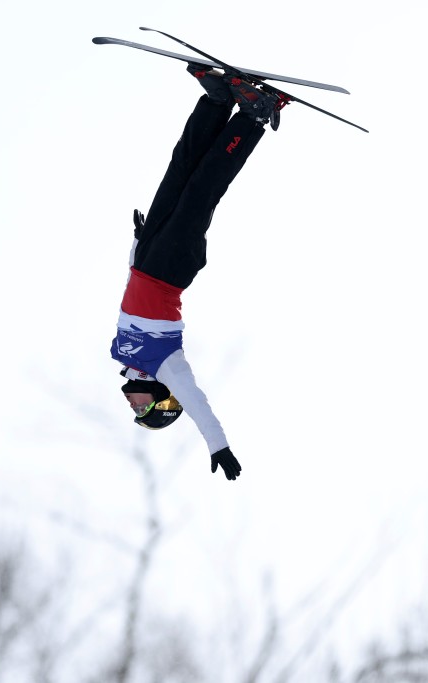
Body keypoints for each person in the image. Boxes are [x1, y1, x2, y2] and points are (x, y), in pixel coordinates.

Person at [110, 63, 283, 482]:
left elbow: (128, 298)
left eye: (135, 409)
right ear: (160, 399)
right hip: (171, 268)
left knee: (180, 170)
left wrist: (136, 245)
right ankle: (255, 115)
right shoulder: (168, 367)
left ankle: (217, 102)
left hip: (148, 257)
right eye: (141, 409)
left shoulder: (123, 357)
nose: (132, 405)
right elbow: (198, 403)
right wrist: (218, 446)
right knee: (203, 186)